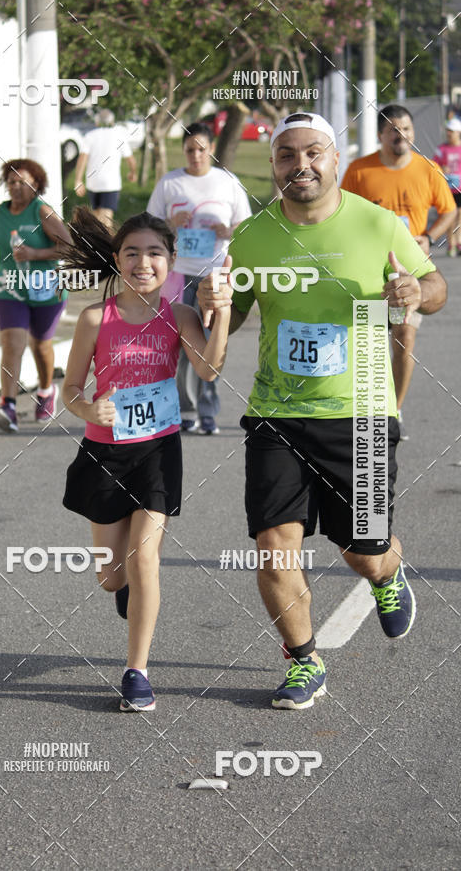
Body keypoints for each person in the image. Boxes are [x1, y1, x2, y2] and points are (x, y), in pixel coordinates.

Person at [198, 112, 447, 710]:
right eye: (286, 155)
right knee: (274, 545)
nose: (300, 165)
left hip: (359, 414)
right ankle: (303, 661)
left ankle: (386, 573)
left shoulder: (378, 224)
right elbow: (221, 324)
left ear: (337, 160)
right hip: (276, 416)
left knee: (362, 550)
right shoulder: (253, 236)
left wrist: (417, 292)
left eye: (314, 153)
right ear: (275, 165)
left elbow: (434, 286)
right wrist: (211, 303)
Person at [60, 208, 232, 711]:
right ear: (117, 259)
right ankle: (126, 590)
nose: (143, 262)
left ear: (171, 261)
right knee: (112, 576)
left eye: (155, 253)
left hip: (158, 451)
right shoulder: (96, 318)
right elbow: (69, 388)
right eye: (132, 252)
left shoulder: (178, 316)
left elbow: (208, 369)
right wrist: (89, 406)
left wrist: (220, 315)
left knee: (145, 556)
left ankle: (136, 671)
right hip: (105, 453)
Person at [341, 104, 455, 439]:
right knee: (368, 343)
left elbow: (448, 210)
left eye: (405, 128)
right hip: (367, 271)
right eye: (393, 129)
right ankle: (357, 409)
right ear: (381, 135)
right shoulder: (360, 171)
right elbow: (340, 212)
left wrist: (429, 238)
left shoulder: (428, 169)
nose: (400, 134)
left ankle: (394, 410)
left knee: (404, 338)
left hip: (411, 271)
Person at [147, 122, 251, 434]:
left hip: (216, 273)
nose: (196, 155)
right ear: (184, 151)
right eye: (190, 149)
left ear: (211, 149)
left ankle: (209, 411)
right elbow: (148, 226)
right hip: (179, 274)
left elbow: (245, 225)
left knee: (212, 344)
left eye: (202, 149)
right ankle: (187, 410)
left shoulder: (227, 182)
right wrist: (170, 223)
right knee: (179, 345)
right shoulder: (170, 183)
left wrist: (227, 231)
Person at [0, 159, 73, 433]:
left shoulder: (43, 212)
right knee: (12, 343)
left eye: (22, 181)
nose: (15, 186)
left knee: (40, 345)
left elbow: (69, 247)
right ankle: (8, 406)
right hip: (9, 287)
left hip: (45, 289)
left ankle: (47, 390)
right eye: (11, 181)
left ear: (35, 184)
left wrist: (35, 254)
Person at [73, 109, 137, 228]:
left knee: (97, 217)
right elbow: (131, 159)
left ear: (97, 122)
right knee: (106, 219)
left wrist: (78, 180)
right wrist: (133, 173)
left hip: (93, 182)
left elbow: (82, 159)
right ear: (112, 121)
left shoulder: (90, 136)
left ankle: (96, 244)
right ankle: (104, 244)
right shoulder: (119, 136)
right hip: (110, 184)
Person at [433, 117, 461, 256]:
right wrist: (442, 169)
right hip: (447, 188)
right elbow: (433, 165)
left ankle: (459, 242)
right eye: (448, 131)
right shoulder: (442, 149)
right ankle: (451, 244)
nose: (449, 134)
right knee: (450, 216)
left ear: (458, 133)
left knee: (460, 217)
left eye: (451, 131)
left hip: (460, 188)